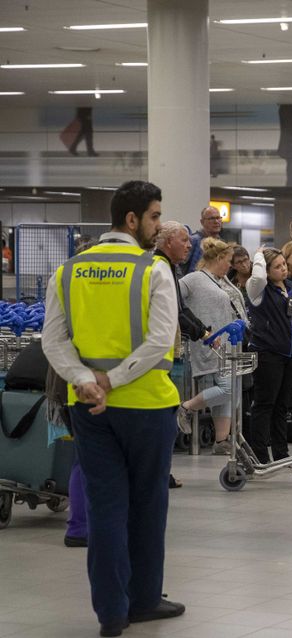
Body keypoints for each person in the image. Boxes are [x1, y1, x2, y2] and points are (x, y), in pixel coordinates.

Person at [42, 180, 185, 636]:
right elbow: (161, 340)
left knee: (105, 508)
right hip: (146, 406)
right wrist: (113, 379)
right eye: (156, 216)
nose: (159, 226)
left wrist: (86, 381)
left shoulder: (67, 271)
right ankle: (143, 600)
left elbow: (53, 341)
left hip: (88, 411)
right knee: (147, 505)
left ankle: (110, 614)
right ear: (132, 220)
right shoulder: (153, 270)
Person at [178, 238, 248, 455]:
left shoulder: (221, 280)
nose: (230, 265)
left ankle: (221, 440)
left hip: (228, 343)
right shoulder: (193, 279)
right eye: (228, 261)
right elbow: (173, 299)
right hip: (210, 344)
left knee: (232, 393)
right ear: (218, 259)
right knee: (227, 390)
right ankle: (186, 407)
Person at [153, 221, 209, 490]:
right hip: (156, 358)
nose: (189, 245)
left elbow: (181, 309)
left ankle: (162, 474)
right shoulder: (160, 268)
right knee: (162, 418)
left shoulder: (168, 268)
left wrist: (203, 331)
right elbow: (177, 311)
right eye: (184, 240)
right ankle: (159, 475)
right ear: (167, 243)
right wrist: (202, 333)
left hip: (164, 353)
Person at [246, 247, 292, 463]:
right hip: (268, 353)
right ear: (267, 270)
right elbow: (258, 275)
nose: (284, 269)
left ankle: (281, 454)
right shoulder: (258, 290)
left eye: (284, 265)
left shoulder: (291, 287)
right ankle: (260, 455)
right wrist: (259, 254)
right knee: (264, 404)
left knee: (282, 405)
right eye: (278, 267)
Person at [184, 206, 222, 275]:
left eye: (218, 218)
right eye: (212, 218)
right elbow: (180, 267)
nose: (216, 221)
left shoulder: (221, 244)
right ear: (202, 222)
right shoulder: (193, 240)